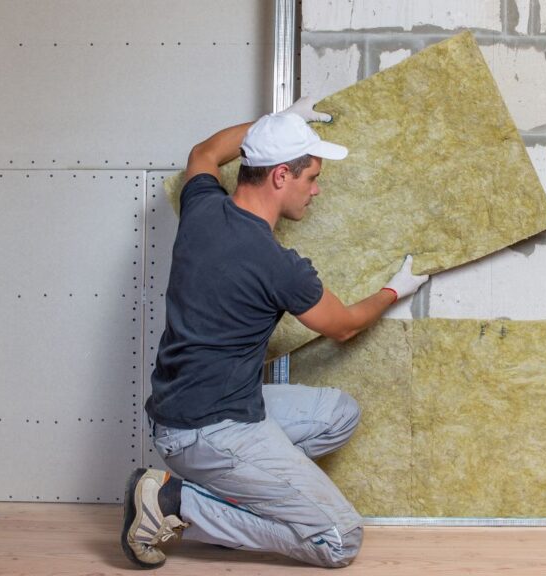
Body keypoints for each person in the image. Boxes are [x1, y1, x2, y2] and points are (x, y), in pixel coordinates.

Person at [120, 97, 429, 569]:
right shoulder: (277, 265)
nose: (316, 190)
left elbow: (204, 152)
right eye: (312, 177)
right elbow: (344, 325)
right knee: (339, 540)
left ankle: (233, 494)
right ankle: (174, 503)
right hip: (208, 433)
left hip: (187, 412)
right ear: (281, 175)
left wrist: (277, 123)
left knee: (339, 414)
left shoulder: (202, 207)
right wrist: (394, 291)